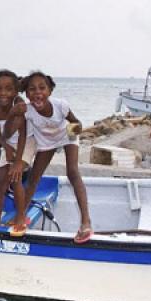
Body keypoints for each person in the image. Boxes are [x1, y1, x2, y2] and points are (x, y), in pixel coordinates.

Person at [21, 71, 93, 243]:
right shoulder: (27, 111)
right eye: (32, 89)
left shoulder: (61, 105)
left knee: (72, 172)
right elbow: (18, 131)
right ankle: (21, 216)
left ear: (50, 91)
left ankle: (86, 221)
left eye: (42, 88)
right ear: (26, 94)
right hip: (46, 141)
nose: (37, 92)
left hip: (67, 136)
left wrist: (74, 131)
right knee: (33, 178)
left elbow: (77, 123)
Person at [0, 70, 36, 234]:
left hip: (26, 141)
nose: (3, 93)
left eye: (8, 89)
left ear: (15, 91)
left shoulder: (19, 105)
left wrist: (18, 161)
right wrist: (6, 148)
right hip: (8, 144)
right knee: (0, 183)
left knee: (15, 177)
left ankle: (21, 217)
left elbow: (22, 134)